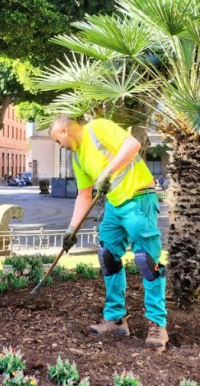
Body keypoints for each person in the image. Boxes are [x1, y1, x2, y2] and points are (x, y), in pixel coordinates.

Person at [49, 115, 167, 353]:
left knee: (147, 261)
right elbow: (84, 195)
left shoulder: (98, 128)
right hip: (114, 205)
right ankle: (116, 319)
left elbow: (133, 145)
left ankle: (157, 324)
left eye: (57, 140)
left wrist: (107, 173)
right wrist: (72, 230)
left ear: (63, 130)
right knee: (108, 256)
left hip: (138, 198)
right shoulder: (78, 157)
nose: (59, 146)